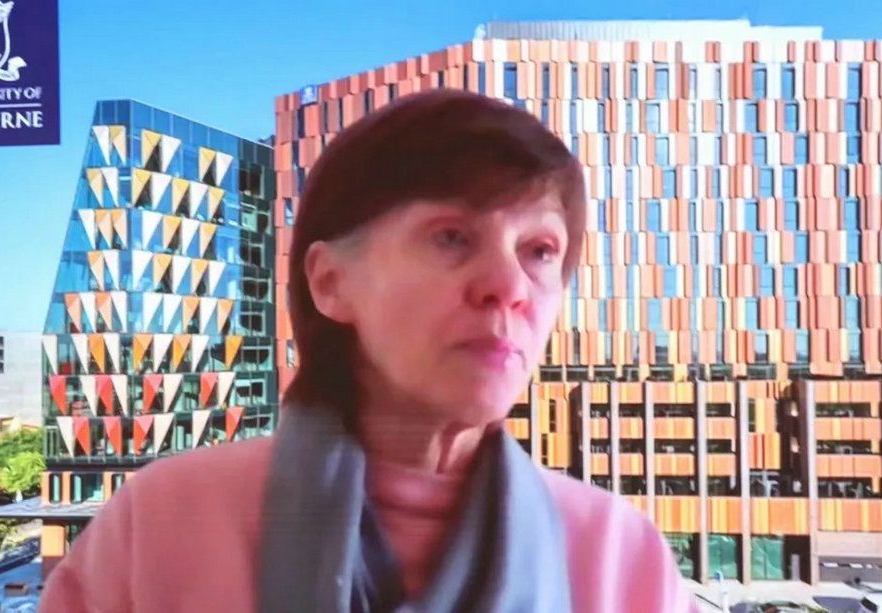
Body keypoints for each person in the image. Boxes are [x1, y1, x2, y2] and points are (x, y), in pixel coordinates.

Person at [39, 89, 698, 612]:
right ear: (330, 282)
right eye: (451, 236)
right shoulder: (161, 525)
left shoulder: (621, 556)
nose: (509, 286)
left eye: (541, 251)